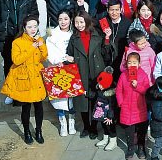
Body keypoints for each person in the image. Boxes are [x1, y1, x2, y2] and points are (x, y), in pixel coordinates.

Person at [0, 14, 48, 145]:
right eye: (30, 27)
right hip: (24, 77)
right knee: (26, 107)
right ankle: (27, 132)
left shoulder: (39, 40)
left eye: (35, 26)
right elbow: (16, 60)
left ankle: (38, 131)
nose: (33, 29)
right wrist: (31, 48)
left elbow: (43, 57)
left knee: (39, 106)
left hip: (37, 76)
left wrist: (41, 45)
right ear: (24, 28)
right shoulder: (17, 42)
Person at [66, 12, 109, 140]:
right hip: (81, 71)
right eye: (76, 22)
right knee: (82, 101)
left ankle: (94, 127)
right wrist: (69, 59)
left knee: (96, 101)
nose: (79, 25)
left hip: (96, 71)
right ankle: (86, 126)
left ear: (87, 22)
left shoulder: (97, 34)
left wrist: (107, 39)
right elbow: (69, 54)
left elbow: (105, 53)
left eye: (82, 22)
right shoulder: (74, 38)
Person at [116, 51, 151, 160]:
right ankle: (130, 148)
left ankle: (141, 147)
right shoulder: (123, 75)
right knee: (129, 130)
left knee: (141, 130)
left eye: (134, 63)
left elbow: (147, 90)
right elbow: (118, 91)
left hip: (140, 107)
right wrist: (121, 102)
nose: (132, 65)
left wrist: (137, 85)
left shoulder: (143, 75)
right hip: (127, 108)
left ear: (139, 64)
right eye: (129, 62)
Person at [45, 10, 75, 137]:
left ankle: (72, 122)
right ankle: (63, 123)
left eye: (66, 19)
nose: (63, 22)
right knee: (59, 98)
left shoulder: (73, 33)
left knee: (72, 96)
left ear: (70, 20)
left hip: (71, 69)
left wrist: (71, 59)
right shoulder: (52, 34)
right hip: (57, 67)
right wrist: (60, 60)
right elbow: (49, 52)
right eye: (60, 19)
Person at [92, 67, 118, 151]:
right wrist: (86, 93)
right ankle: (105, 138)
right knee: (104, 125)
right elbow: (94, 95)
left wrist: (110, 117)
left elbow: (112, 106)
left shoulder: (110, 94)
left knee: (110, 126)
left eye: (102, 85)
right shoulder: (100, 89)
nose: (100, 86)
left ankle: (113, 140)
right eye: (99, 84)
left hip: (109, 114)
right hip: (101, 111)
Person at [101, 0, 131, 69]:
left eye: (117, 10)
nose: (114, 13)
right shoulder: (103, 22)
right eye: (112, 10)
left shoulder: (128, 23)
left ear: (121, 10)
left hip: (121, 59)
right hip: (106, 59)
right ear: (108, 10)